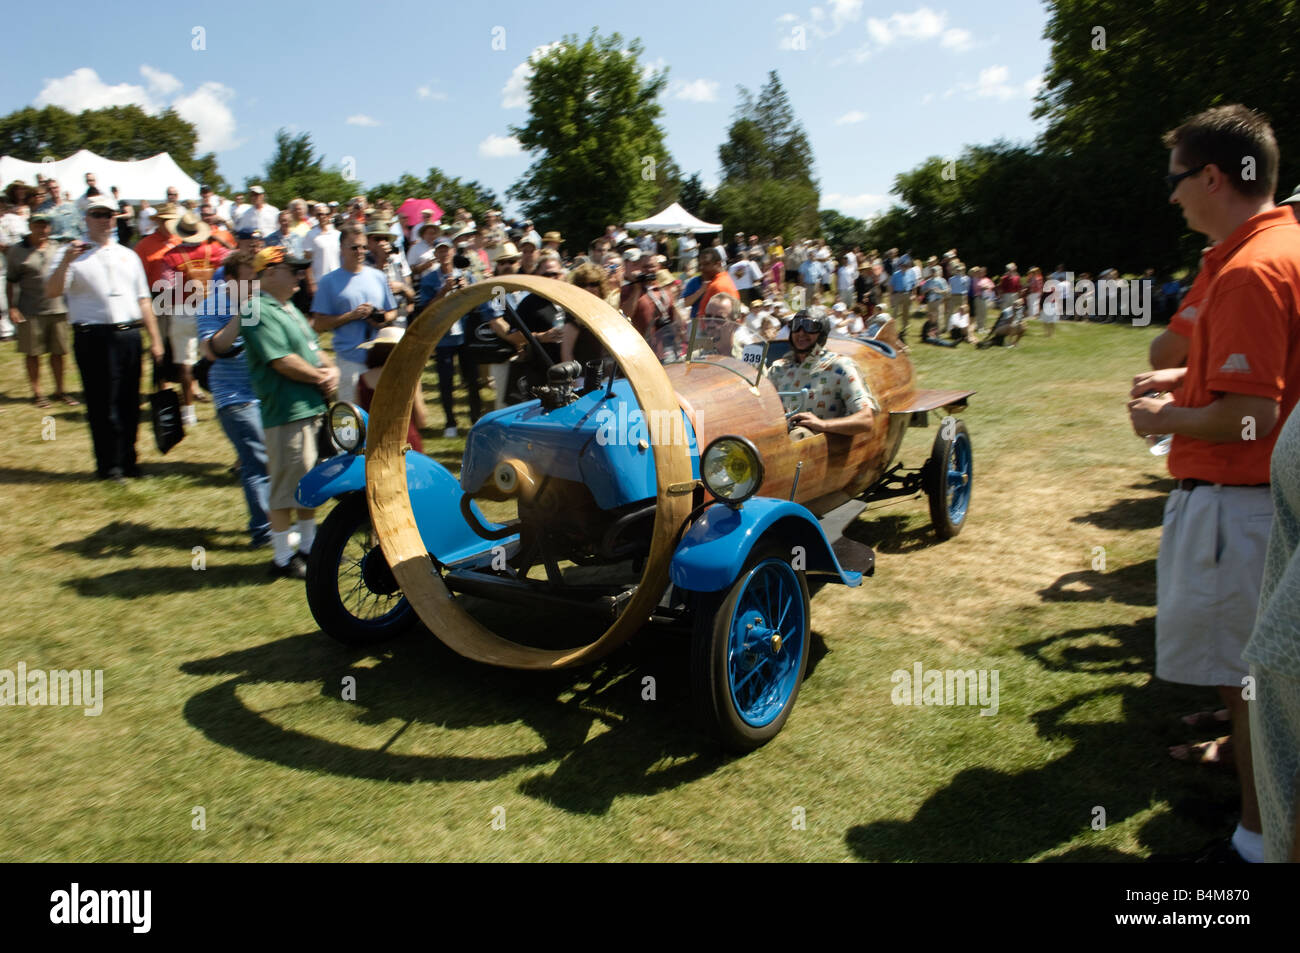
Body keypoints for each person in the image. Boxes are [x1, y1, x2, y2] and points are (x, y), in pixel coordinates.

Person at [1127, 103, 1300, 863]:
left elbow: (1251, 419)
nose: (1172, 196)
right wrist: (1189, 372)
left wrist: (1163, 415)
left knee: (1251, 683)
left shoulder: (1250, 269)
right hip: (1269, 504)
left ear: (1212, 176)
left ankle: (1257, 844)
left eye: (1176, 180)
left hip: (1244, 507)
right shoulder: (1284, 244)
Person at [43, 195, 164, 481]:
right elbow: (51, 291)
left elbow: (144, 299)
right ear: (86, 218)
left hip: (128, 334)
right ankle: (109, 465)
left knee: (130, 402)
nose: (104, 220)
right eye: (97, 214)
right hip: (93, 335)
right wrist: (67, 262)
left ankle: (130, 461)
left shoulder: (128, 254)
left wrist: (155, 340)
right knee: (102, 403)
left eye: (109, 215)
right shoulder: (72, 253)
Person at [240, 246, 338, 578]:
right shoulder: (254, 309)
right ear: (269, 272)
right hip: (286, 410)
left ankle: (308, 550)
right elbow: (280, 360)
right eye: (291, 269)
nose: (299, 276)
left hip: (309, 407)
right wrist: (321, 376)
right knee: (286, 489)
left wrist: (330, 369)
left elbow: (312, 348)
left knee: (307, 483)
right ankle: (282, 559)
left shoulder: (289, 308)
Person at [197, 250, 272, 548]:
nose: (256, 284)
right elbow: (210, 351)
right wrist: (242, 314)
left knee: (275, 462)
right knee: (258, 461)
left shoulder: (264, 302)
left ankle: (279, 526)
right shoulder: (211, 305)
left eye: (258, 277)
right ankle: (264, 532)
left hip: (267, 396)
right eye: (250, 278)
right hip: (235, 399)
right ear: (230, 280)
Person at [310, 224, 396, 404]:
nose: (360, 251)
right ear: (342, 249)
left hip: (380, 358)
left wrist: (380, 319)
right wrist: (351, 316)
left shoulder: (378, 276)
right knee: (352, 421)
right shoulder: (328, 281)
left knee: (383, 414)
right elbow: (319, 325)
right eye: (354, 247)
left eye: (364, 247)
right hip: (350, 359)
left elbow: (392, 311)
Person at [769, 306, 877, 435]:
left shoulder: (839, 367)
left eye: (810, 326)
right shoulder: (778, 369)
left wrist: (822, 425)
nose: (801, 332)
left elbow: (866, 419)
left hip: (821, 448)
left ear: (822, 333)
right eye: (796, 325)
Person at [415, 237, 484, 435]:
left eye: (447, 250)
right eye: (440, 251)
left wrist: (466, 291)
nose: (444, 254)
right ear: (435, 255)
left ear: (453, 252)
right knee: (446, 381)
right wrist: (442, 291)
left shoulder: (467, 275)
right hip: (444, 336)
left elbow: (478, 306)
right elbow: (426, 310)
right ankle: (450, 423)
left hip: (465, 336)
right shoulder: (429, 279)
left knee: (472, 379)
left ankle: (476, 419)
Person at [7, 213, 75, 406]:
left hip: (58, 309)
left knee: (59, 353)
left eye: (45, 226)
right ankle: (38, 394)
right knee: (33, 353)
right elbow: (11, 282)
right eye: (37, 225)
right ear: (30, 226)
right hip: (30, 310)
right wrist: (12, 307)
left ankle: (60, 391)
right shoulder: (18, 251)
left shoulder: (58, 248)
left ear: (50, 228)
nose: (42, 230)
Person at [355, 325, 426, 452]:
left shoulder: (363, 379)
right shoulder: (411, 378)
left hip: (373, 445)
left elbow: (357, 418)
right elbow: (421, 419)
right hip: (406, 442)